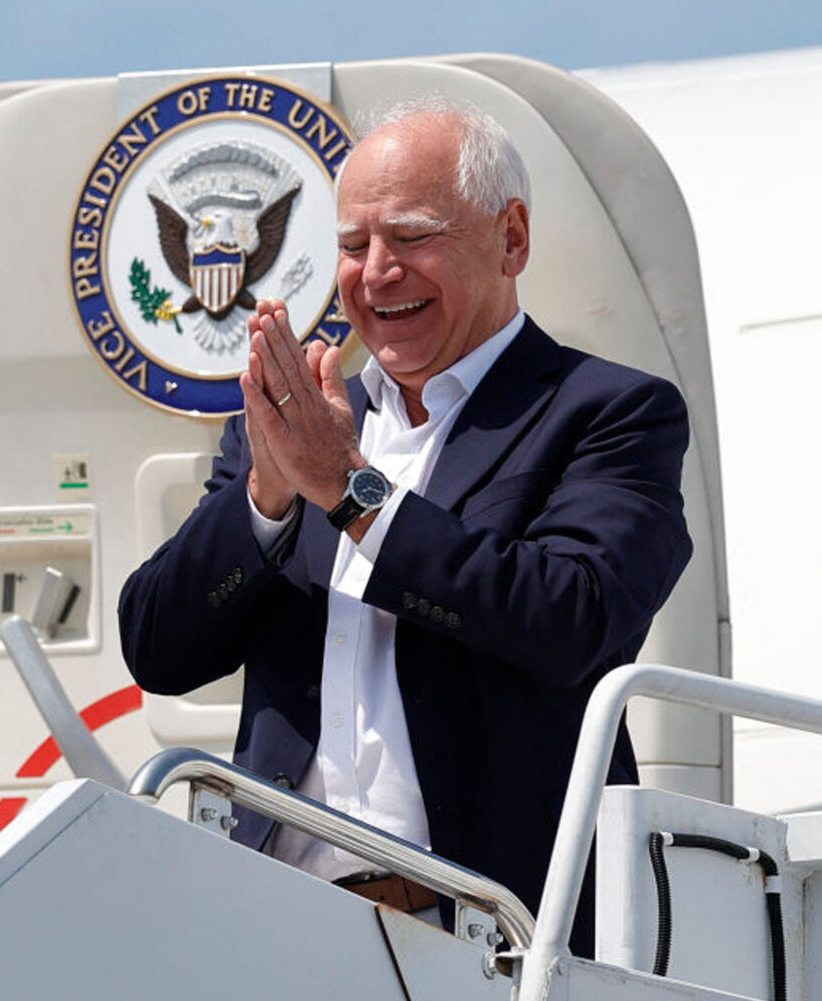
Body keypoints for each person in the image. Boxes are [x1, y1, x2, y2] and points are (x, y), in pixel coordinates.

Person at [117, 101, 692, 955]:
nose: (377, 272)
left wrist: (352, 495)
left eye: (413, 237)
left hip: (494, 933)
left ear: (512, 239)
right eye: (353, 247)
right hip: (281, 928)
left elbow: (572, 619)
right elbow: (157, 648)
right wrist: (271, 494)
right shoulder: (296, 424)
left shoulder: (607, 413)